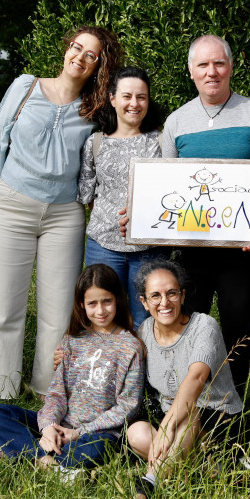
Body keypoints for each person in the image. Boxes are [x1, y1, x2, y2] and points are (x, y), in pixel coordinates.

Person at [0, 26, 121, 415]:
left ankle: (46, 391)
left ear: (99, 66)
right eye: (76, 47)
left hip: (65, 215)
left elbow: (133, 130)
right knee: (1, 302)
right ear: (66, 49)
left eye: (92, 54)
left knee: (58, 311)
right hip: (13, 204)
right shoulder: (25, 86)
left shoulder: (96, 109)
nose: (80, 56)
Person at [160, 34, 250, 397]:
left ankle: (233, 403)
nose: (211, 72)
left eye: (218, 63)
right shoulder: (176, 122)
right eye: (203, 65)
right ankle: (187, 402)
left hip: (243, 250)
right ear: (191, 71)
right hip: (193, 248)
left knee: (237, 330)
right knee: (188, 325)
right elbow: (169, 189)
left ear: (230, 66)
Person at [0, 264, 144, 476]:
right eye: (92, 303)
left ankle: (21, 449)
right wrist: (49, 427)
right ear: (81, 304)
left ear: (118, 300)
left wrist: (78, 433)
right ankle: (47, 461)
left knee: (98, 449)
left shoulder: (130, 347)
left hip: (97, 433)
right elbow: (57, 393)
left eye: (107, 301)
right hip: (60, 424)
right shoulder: (72, 340)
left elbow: (128, 407)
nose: (100, 310)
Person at [126, 258, 243, 499]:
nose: (164, 302)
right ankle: (205, 467)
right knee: (136, 433)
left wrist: (166, 429)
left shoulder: (204, 326)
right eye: (155, 296)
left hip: (215, 417)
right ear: (144, 303)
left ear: (183, 295)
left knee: (188, 417)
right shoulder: (144, 332)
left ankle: (151, 482)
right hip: (171, 418)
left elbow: (197, 379)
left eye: (171, 293)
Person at [78, 67, 173, 328]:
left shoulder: (162, 142)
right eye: (127, 96)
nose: (134, 103)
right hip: (103, 245)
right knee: (104, 316)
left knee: (147, 318)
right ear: (112, 99)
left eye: (141, 97)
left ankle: (146, 369)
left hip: (150, 248)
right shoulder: (95, 142)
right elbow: (88, 195)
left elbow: (175, 193)